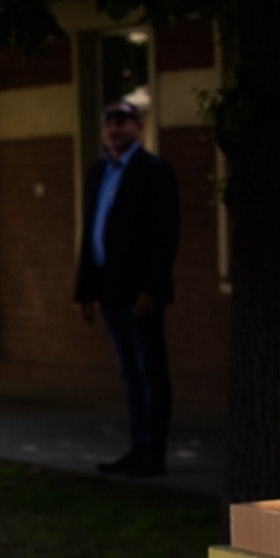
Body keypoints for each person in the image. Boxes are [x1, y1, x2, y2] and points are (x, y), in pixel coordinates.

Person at [75, 100, 180, 478]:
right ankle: (138, 450)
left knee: (150, 371)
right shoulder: (99, 171)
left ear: (138, 126)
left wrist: (151, 290)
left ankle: (154, 454)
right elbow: (92, 231)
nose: (115, 129)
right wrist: (84, 290)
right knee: (131, 374)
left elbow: (164, 236)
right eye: (109, 123)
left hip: (140, 295)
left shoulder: (154, 171)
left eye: (122, 122)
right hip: (109, 290)